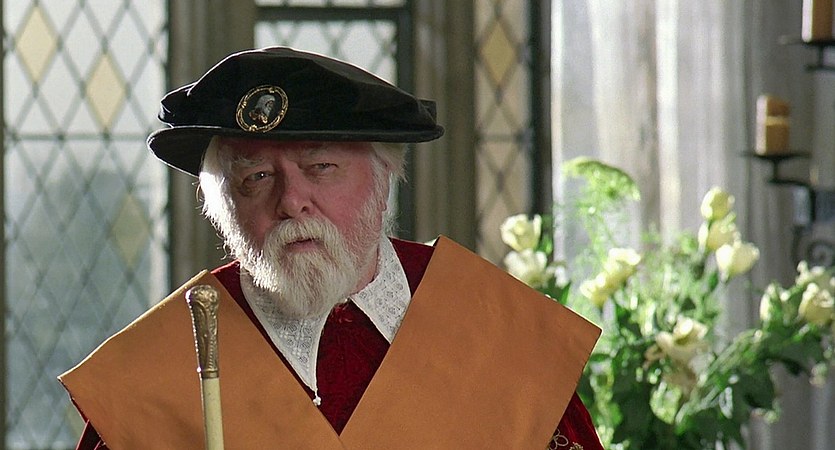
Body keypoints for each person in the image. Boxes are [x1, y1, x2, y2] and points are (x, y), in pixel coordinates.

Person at [60, 46, 603, 449]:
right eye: (256, 178)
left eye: (320, 167)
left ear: (383, 180)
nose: (292, 201)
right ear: (223, 210)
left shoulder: (495, 332)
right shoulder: (161, 370)